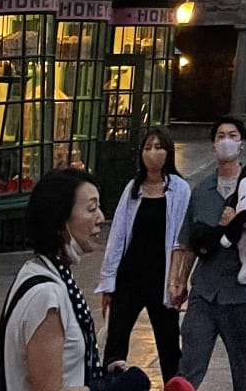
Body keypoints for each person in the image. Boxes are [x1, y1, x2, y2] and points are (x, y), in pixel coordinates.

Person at [4, 168, 150, 391]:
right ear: (61, 222)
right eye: (91, 208)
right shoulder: (45, 295)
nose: (100, 217)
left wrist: (102, 374)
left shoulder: (49, 272)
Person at [169, 117, 246, 391]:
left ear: (241, 143)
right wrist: (178, 282)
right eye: (221, 135)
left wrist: (240, 221)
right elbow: (187, 241)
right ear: (213, 145)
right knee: (190, 362)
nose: (226, 140)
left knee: (244, 366)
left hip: (242, 292)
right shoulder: (201, 191)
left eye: (232, 135)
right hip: (205, 289)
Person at [97, 127, 190, 383]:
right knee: (116, 339)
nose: (153, 153)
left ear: (168, 152)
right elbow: (117, 234)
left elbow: (183, 239)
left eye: (159, 147)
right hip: (130, 277)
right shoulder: (133, 188)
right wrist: (109, 280)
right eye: (148, 147)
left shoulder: (179, 189)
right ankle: (111, 385)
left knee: (169, 344)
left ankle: (175, 386)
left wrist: (180, 280)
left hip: (163, 278)